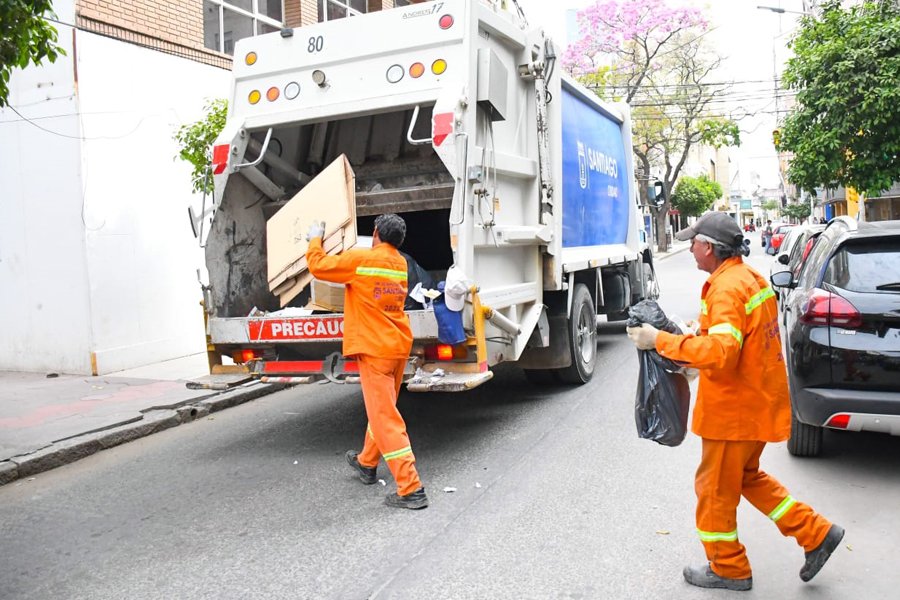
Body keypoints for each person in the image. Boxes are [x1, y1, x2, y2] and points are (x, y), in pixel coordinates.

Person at [625, 212, 843, 592]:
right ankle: (816, 532)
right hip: (755, 402)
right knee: (747, 478)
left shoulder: (726, 288)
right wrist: (697, 335)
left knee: (713, 491)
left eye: (694, 242)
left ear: (709, 247)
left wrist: (658, 341)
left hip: (734, 412)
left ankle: (728, 567)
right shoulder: (745, 278)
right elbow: (737, 338)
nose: (690, 248)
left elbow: (723, 352)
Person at [305, 213, 428, 510]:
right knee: (383, 408)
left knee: (385, 418)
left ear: (375, 233)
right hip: (397, 346)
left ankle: (411, 488)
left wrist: (315, 238)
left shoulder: (360, 260)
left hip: (375, 350)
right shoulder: (400, 263)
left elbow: (317, 266)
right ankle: (367, 463)